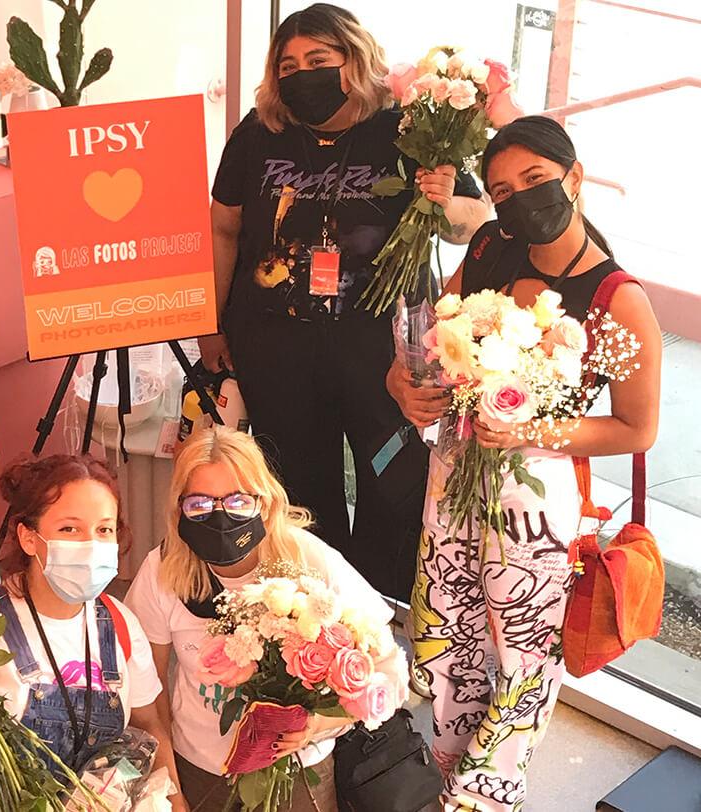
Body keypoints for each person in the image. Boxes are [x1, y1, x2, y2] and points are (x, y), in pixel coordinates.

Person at [387, 115, 661, 811]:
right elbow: (430, 344)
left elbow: (637, 427)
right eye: (503, 189)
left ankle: (486, 796)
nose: (518, 200)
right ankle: (445, 768)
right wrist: (405, 384)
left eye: (535, 181)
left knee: (521, 658)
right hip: (452, 488)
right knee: (449, 635)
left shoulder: (614, 298)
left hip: (534, 512)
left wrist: (532, 426)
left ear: (574, 178)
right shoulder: (488, 249)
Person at [201, 4, 491, 602]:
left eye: (318, 60)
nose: (300, 74)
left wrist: (443, 199)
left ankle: (380, 611)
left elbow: (472, 222)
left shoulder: (407, 130)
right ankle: (313, 617)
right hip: (275, 344)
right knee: (297, 488)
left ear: (353, 60)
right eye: (288, 64)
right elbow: (224, 228)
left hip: (381, 350)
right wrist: (210, 320)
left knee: (395, 482)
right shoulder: (258, 134)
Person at [0, 454, 189, 812]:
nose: (90, 545)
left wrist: (176, 801)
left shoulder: (120, 624)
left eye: (103, 529)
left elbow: (151, 727)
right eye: (69, 529)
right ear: (29, 538)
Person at [124, 427, 393, 812]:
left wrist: (317, 725)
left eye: (237, 501)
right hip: (202, 769)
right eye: (199, 504)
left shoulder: (308, 562)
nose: (221, 517)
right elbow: (149, 695)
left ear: (264, 503)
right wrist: (169, 787)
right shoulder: (164, 571)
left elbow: (386, 665)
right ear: (178, 506)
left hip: (298, 769)